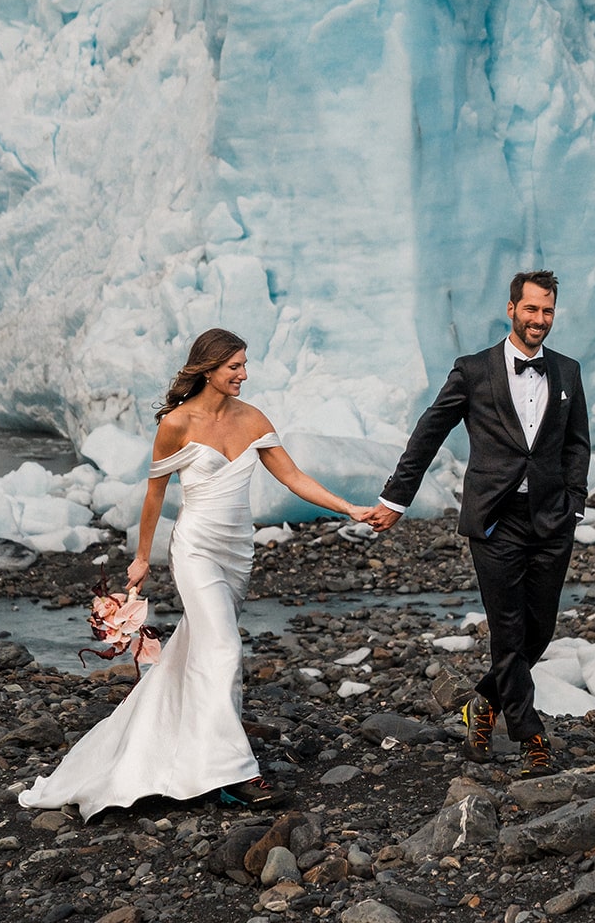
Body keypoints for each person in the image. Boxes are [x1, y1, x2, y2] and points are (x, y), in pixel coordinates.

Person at [20, 328, 370, 820]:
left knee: (200, 651)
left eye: (245, 365)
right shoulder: (176, 424)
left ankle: (177, 753)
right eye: (235, 367)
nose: (244, 375)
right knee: (224, 649)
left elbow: (292, 477)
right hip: (196, 549)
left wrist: (347, 508)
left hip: (236, 554)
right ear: (208, 368)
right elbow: (154, 496)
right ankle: (236, 775)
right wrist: (142, 558)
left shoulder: (253, 419)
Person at [364, 270, 589, 777]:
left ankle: (483, 703)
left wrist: (574, 502)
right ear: (511, 309)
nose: (539, 320)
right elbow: (429, 432)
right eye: (531, 310)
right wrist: (396, 498)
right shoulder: (472, 370)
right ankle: (530, 734)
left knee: (540, 629)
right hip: (495, 518)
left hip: (551, 517)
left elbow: (577, 443)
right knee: (509, 628)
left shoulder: (568, 372)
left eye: (547, 311)